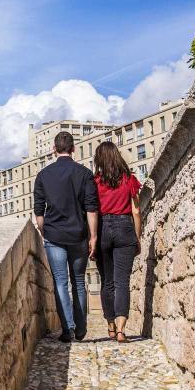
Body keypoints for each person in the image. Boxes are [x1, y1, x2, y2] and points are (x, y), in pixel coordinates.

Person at [34, 131, 99, 342]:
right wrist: (93, 236)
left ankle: (67, 329)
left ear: (54, 149)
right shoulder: (84, 173)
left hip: (54, 234)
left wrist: (44, 231)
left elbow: (39, 211)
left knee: (60, 282)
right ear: (73, 149)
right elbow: (91, 208)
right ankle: (81, 328)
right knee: (79, 281)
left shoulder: (43, 175)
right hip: (78, 234)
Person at [93, 141, 141, 343]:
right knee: (123, 282)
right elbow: (136, 211)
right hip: (124, 227)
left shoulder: (95, 182)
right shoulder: (129, 180)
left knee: (107, 281)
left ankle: (110, 326)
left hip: (102, 228)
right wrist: (137, 238)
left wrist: (92, 237)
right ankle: (121, 330)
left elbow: (92, 212)